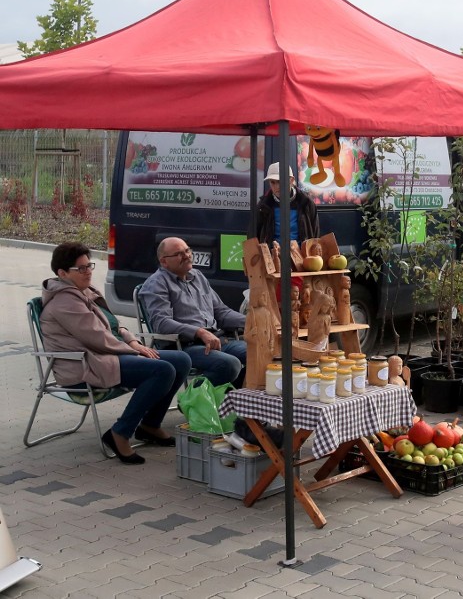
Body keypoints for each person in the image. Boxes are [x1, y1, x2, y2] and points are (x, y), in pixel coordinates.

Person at [40, 242, 192, 465]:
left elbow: (114, 325)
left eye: (89, 265)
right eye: (80, 269)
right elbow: (97, 338)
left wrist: (132, 340)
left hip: (107, 356)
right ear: (62, 273)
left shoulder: (87, 292)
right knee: (162, 370)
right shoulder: (64, 301)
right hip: (85, 365)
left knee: (181, 360)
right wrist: (135, 349)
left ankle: (150, 424)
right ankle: (120, 433)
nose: (88, 271)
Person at [139, 237, 247, 387]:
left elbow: (221, 312)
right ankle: (192, 399)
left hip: (216, 340)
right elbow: (161, 323)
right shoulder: (156, 284)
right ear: (164, 261)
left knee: (260, 354)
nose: (187, 256)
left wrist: (251, 321)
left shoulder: (198, 276)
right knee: (230, 364)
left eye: (187, 250)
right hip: (184, 346)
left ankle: (226, 399)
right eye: (179, 254)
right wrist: (199, 332)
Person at [257, 162, 320, 248]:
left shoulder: (306, 203)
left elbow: (315, 234)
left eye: (280, 182)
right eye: (272, 182)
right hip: (272, 257)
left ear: (291, 180)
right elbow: (254, 235)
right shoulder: (263, 205)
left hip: (301, 257)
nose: (276, 186)